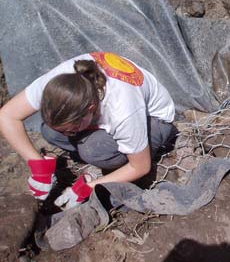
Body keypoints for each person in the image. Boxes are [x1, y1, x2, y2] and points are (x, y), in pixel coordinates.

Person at [0, 52, 177, 209]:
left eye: (72, 129)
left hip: (155, 120)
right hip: (108, 118)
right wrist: (39, 167)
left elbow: (140, 166)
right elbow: (6, 116)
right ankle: (99, 150)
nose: (67, 134)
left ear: (91, 109)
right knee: (50, 131)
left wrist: (89, 187)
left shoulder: (122, 109)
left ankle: (109, 162)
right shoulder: (59, 82)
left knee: (93, 150)